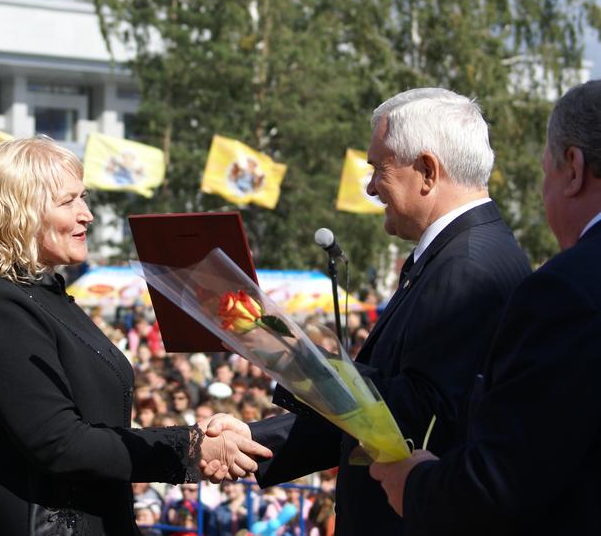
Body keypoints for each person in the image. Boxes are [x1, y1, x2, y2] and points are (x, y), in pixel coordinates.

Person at [206, 87, 531, 536]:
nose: (371, 187)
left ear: (427, 171)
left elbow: (412, 417)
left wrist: (295, 356)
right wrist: (254, 440)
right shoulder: (459, 254)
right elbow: (372, 423)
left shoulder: (467, 266)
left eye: (379, 168)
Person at [0, 137, 271, 536]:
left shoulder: (45, 295)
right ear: (19, 212)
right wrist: (189, 447)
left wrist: (192, 442)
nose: (87, 215)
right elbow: (58, 442)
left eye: (82, 198)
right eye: (68, 202)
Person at [369, 80, 601, 535]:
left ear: (573, 169)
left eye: (546, 172)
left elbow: (504, 480)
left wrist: (414, 484)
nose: (371, 186)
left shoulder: (565, 288)